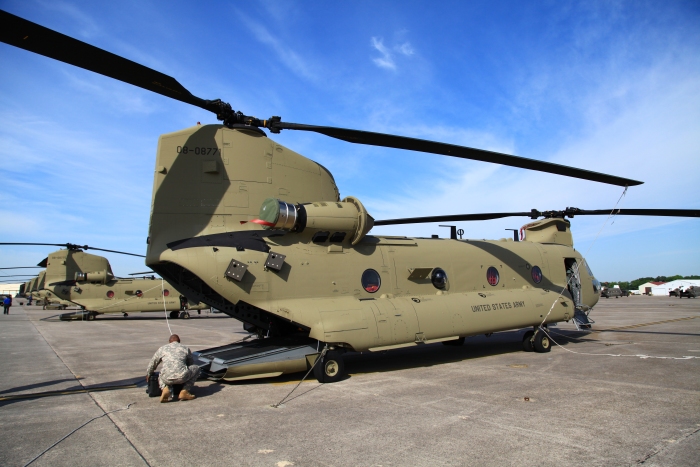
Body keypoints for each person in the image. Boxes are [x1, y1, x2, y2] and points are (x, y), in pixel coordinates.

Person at [146, 334, 199, 403]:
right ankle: (185, 390)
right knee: (197, 368)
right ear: (179, 341)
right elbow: (191, 363)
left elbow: (153, 363)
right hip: (182, 377)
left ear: (169, 341)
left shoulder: (162, 348)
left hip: (167, 378)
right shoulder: (185, 348)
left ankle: (165, 388)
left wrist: (148, 374)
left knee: (162, 373)